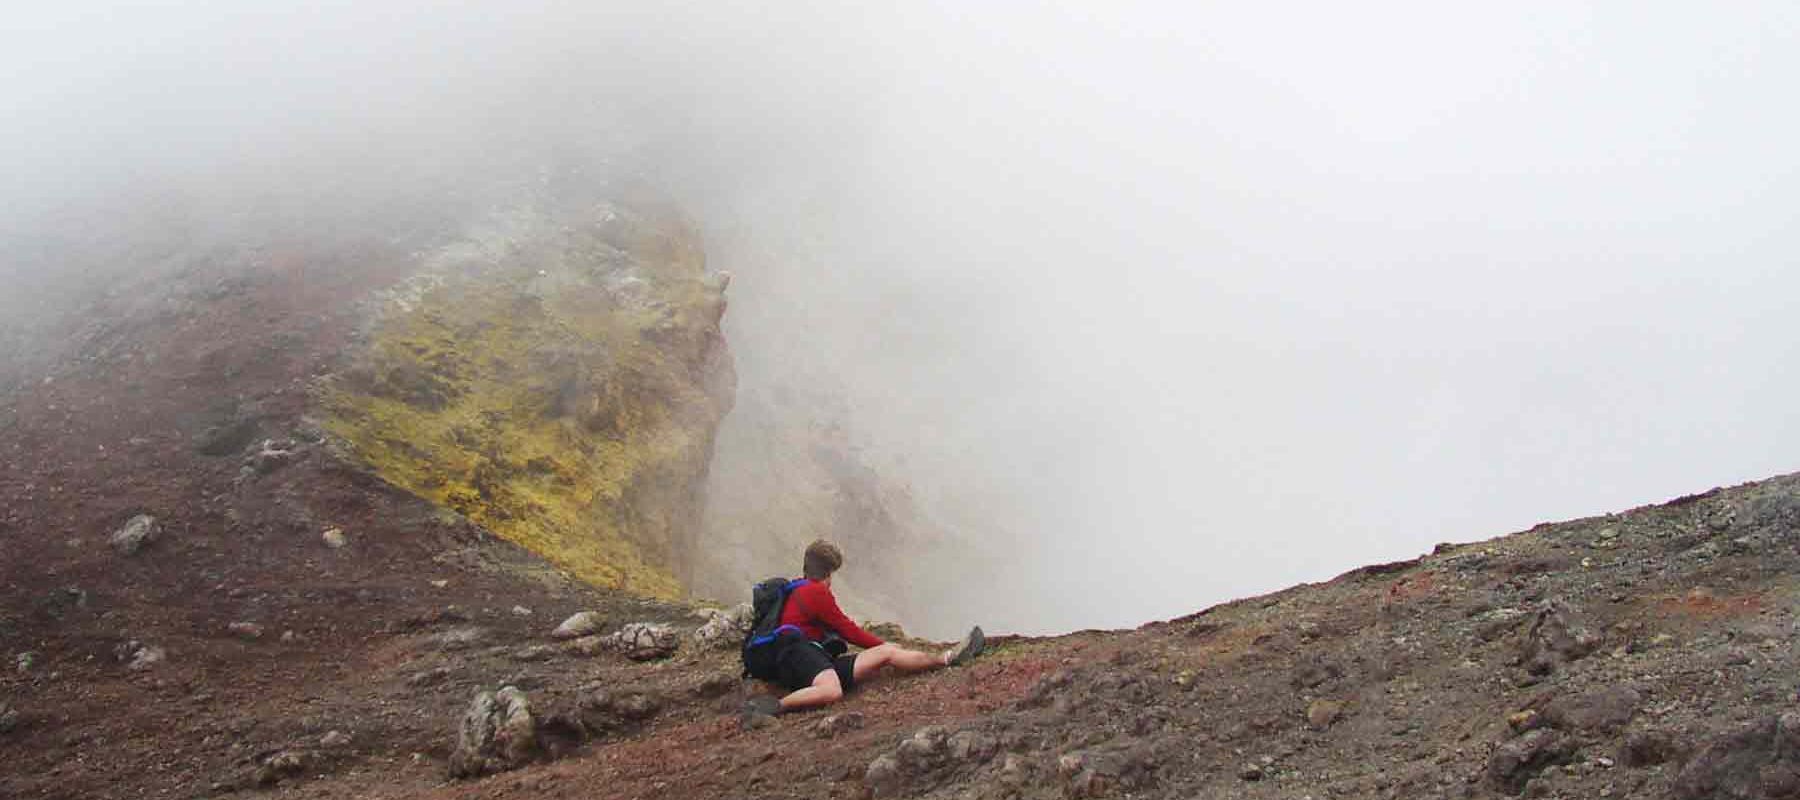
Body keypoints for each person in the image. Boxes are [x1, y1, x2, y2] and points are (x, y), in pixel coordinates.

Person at [743, 540, 985, 720]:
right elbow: (847, 630)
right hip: (796, 654)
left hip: (813, 660)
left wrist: (883, 647)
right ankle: (775, 707)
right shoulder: (815, 592)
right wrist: (879, 643)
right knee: (832, 690)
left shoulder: (799, 590)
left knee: (887, 654)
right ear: (828, 573)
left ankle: (946, 658)